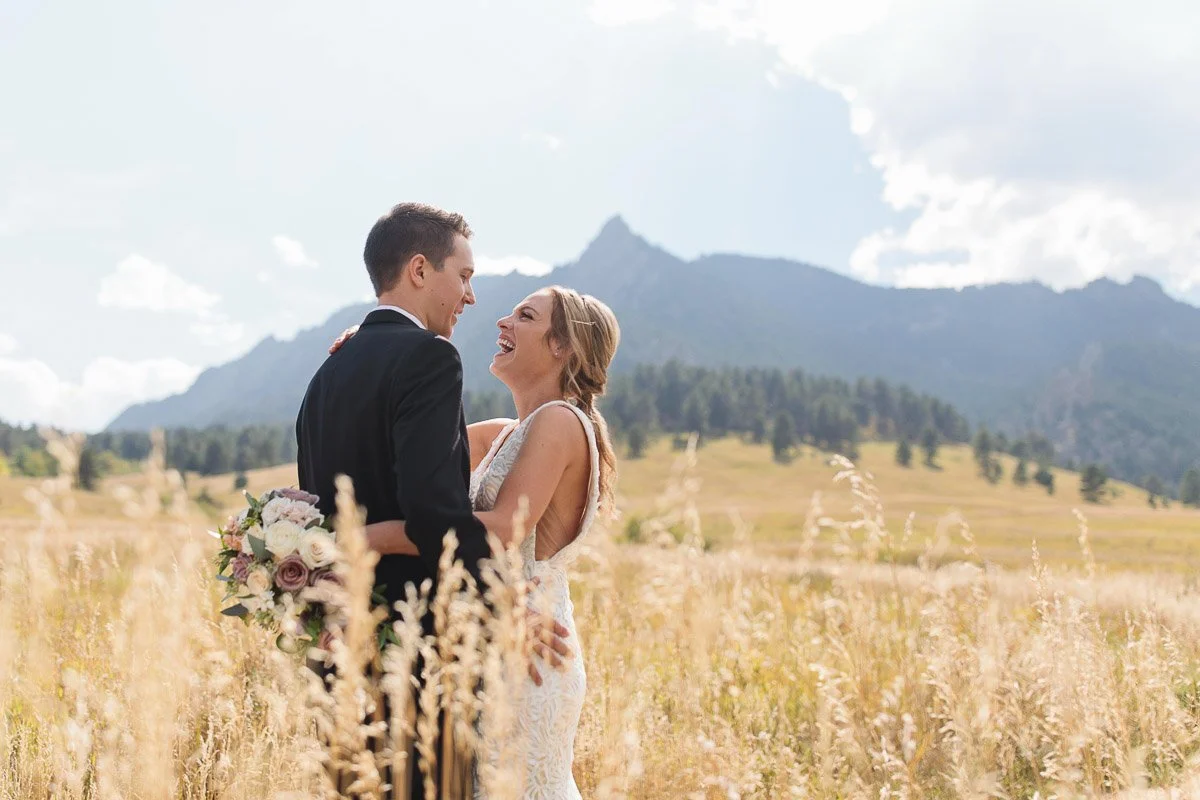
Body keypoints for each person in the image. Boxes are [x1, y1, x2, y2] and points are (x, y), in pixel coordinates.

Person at [296, 202, 571, 799]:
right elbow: (432, 511)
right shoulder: (429, 356)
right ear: (420, 270)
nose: (470, 297)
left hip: (338, 648)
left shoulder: (325, 376)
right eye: (465, 276)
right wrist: (504, 606)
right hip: (416, 658)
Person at [332, 284, 621, 799]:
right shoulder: (510, 432)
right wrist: (372, 359)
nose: (501, 323)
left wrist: (373, 538)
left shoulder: (560, 421)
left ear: (562, 346)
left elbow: (504, 527)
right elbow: (415, 460)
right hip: (494, 636)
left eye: (525, 316)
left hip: (528, 649)